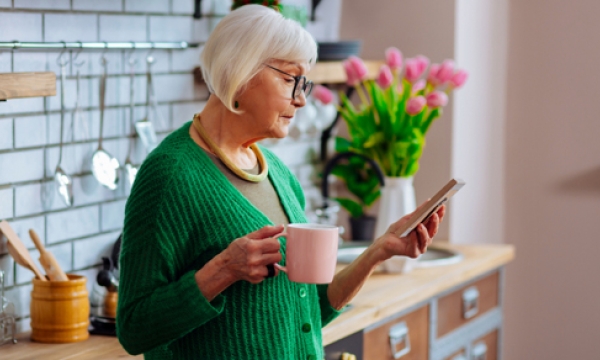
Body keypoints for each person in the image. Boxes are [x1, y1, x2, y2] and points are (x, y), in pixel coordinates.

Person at [116, 5, 445, 360]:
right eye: (290, 79)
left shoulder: (277, 172)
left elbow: (305, 312)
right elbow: (134, 329)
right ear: (240, 71)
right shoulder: (169, 175)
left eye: (304, 83)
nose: (301, 99)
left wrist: (378, 251)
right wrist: (224, 269)